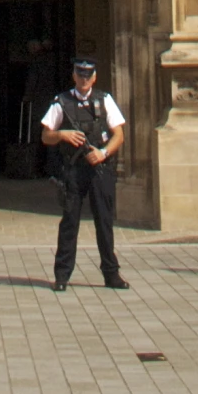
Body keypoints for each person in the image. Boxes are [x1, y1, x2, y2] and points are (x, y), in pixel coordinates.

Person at [40, 56, 127, 291]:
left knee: (104, 222)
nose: (84, 79)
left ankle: (111, 274)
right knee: (70, 223)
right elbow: (45, 136)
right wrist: (62, 135)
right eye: (80, 75)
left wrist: (103, 153)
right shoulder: (61, 102)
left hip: (100, 169)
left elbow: (119, 134)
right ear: (74, 76)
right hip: (74, 170)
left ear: (94, 77)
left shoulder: (104, 100)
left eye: (88, 76)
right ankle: (62, 276)